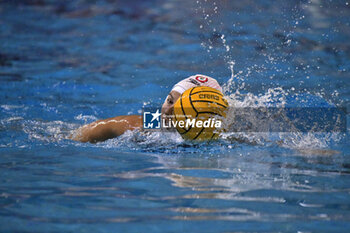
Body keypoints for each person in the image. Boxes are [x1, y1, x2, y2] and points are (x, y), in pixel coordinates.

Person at [72, 74, 223, 143]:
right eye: (170, 101)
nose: (169, 111)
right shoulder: (151, 124)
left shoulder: (228, 133)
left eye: (181, 107)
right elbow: (102, 128)